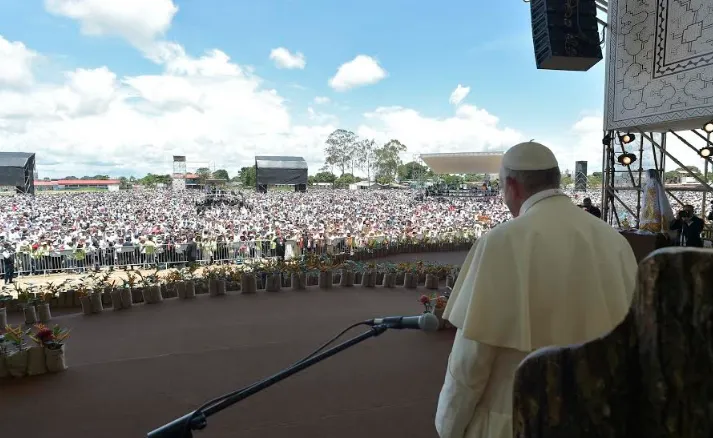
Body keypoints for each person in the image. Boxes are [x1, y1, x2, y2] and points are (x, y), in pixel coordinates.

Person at [435, 141, 638, 438]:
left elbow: (470, 361)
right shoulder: (614, 240)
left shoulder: (501, 241)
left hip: (514, 419)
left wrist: (447, 425)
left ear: (512, 186)